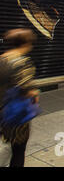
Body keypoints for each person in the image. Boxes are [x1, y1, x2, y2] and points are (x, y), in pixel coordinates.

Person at [0, 29, 40, 167]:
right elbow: (27, 90)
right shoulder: (22, 62)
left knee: (9, 145)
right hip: (16, 115)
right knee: (18, 150)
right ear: (26, 43)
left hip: (2, 111)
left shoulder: (2, 58)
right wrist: (35, 93)